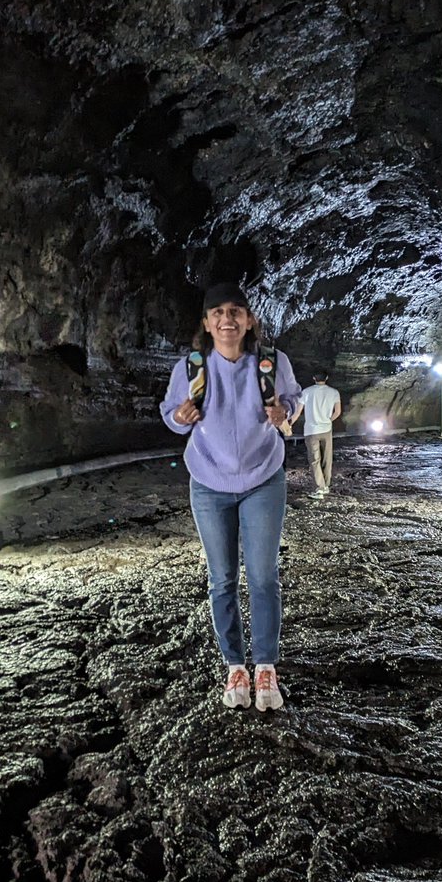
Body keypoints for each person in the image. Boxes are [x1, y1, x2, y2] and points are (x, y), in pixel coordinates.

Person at [160, 282, 301, 712]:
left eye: (236, 311)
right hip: (208, 481)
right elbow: (172, 415)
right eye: (218, 312)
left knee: (262, 576)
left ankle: (266, 667)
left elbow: (293, 401)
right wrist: (179, 417)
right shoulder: (190, 369)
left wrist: (285, 412)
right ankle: (235, 663)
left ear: (250, 320)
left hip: (262, 478)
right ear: (206, 323)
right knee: (221, 578)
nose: (227, 319)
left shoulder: (272, 364)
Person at [291, 369, 342, 499]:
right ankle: (326, 486)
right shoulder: (334, 392)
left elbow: (298, 412)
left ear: (314, 378)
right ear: (327, 378)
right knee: (327, 459)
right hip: (326, 430)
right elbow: (337, 412)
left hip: (311, 430)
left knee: (315, 460)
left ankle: (319, 488)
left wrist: (289, 424)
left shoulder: (306, 392)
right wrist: (328, 420)